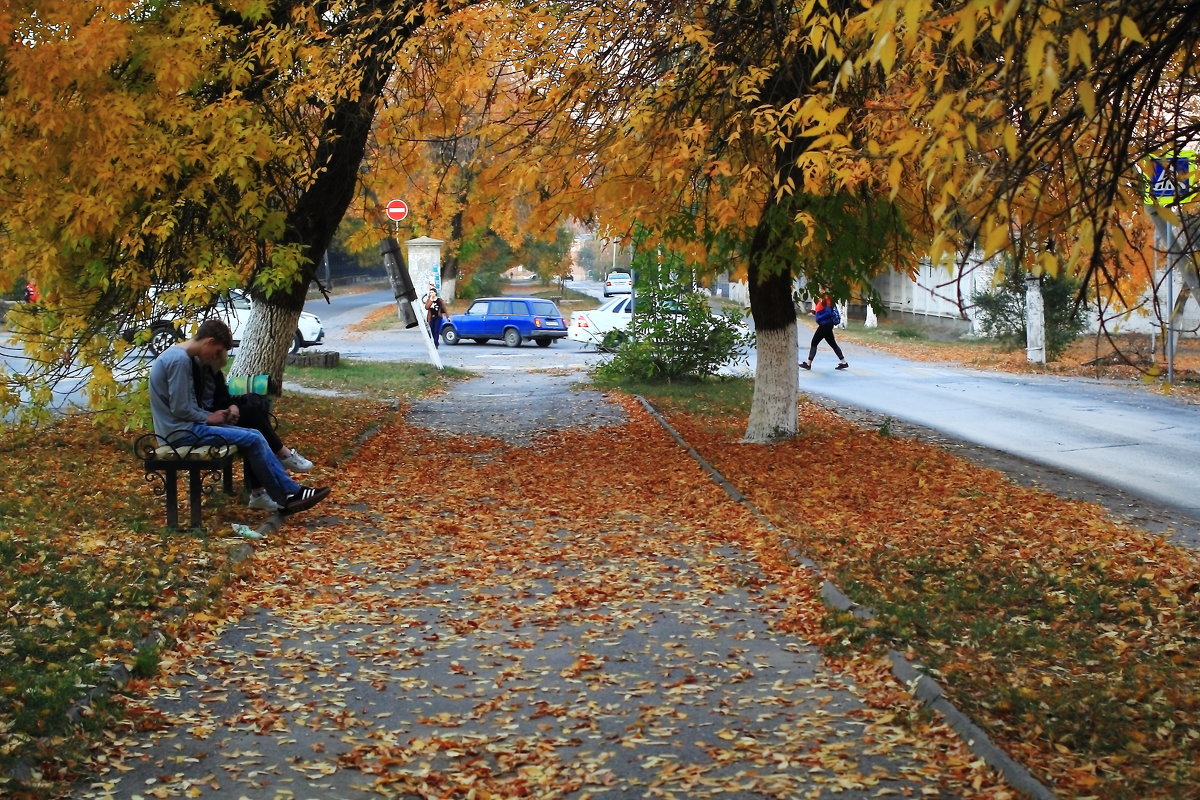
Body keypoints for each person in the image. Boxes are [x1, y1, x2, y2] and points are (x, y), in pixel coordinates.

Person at [148, 319, 330, 516]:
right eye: (217, 351)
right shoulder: (179, 360)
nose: (214, 358)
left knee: (255, 435)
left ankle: (289, 494)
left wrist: (214, 415)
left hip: (187, 428)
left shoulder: (180, 356)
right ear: (209, 341)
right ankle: (288, 494)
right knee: (253, 437)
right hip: (179, 433)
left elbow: (186, 406)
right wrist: (210, 417)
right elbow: (181, 408)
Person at [192, 354, 314, 511]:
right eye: (221, 350)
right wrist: (213, 415)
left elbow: (224, 397)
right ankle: (283, 469)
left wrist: (232, 406)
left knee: (254, 410)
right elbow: (189, 409)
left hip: (218, 418)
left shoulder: (213, 371)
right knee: (254, 431)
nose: (224, 356)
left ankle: (266, 491)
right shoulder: (192, 370)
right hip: (204, 426)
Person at [799, 289, 848, 371]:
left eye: (821, 288)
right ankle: (844, 363)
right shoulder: (823, 299)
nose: (819, 289)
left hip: (825, 325)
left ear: (825, 289)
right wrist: (816, 313)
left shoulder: (827, 298)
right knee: (833, 344)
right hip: (827, 325)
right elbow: (823, 310)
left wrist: (818, 318)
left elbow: (828, 312)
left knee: (814, 343)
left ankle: (808, 364)